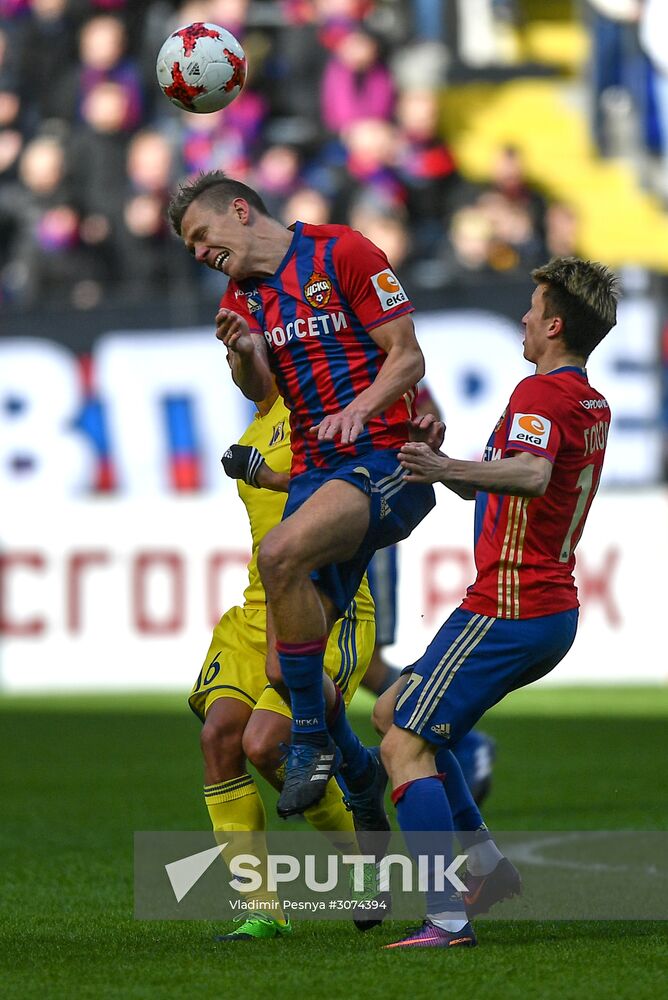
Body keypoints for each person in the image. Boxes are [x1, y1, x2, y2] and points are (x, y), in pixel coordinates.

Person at [168, 171, 436, 829]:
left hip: (383, 458)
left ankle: (313, 741)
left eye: (202, 236)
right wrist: (243, 355)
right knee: (286, 672)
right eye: (191, 248)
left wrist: (361, 409)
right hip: (319, 476)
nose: (200, 253)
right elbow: (260, 389)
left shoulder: (342, 252)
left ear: (239, 210)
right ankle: (359, 766)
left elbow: (407, 357)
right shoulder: (242, 297)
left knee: (279, 553)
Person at [376, 255, 619, 949]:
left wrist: (446, 467)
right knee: (400, 709)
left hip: (512, 605)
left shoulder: (543, 396)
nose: (521, 316)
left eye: (531, 304)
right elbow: (510, 479)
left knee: (403, 745)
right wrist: (447, 464)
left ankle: (447, 916)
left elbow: (533, 474)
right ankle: (486, 869)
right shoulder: (585, 399)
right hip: (535, 604)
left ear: (552, 323)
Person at [190, 385, 376, 942]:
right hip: (256, 612)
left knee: (265, 744)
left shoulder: (321, 411)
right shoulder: (255, 429)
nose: (232, 362)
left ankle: (365, 865)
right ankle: (264, 909)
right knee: (221, 737)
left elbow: (347, 490)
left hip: (325, 607)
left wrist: (265, 475)